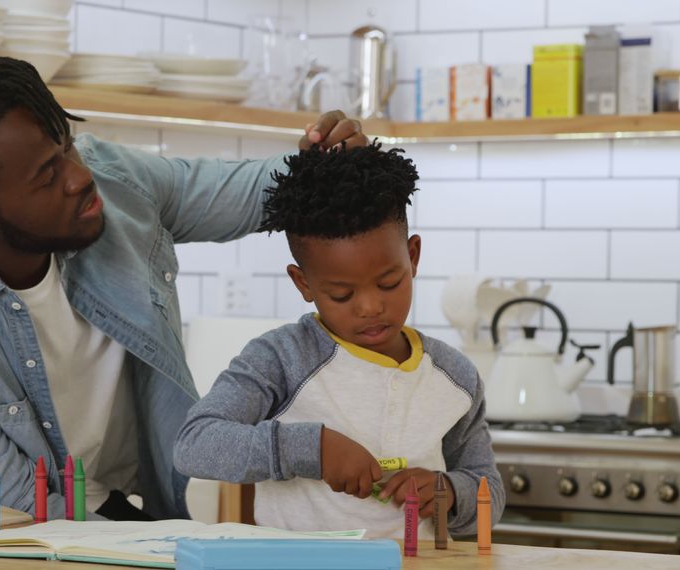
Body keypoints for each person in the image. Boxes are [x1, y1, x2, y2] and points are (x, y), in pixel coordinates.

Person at [0, 34, 370, 522]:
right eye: (47, 175)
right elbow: (4, 501)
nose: (80, 176)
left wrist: (322, 163)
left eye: (66, 145)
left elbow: (248, 192)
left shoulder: (110, 184)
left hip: (115, 518)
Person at [173, 143, 504, 538]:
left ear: (413, 256)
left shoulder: (454, 376)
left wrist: (449, 491)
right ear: (303, 283)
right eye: (341, 295)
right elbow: (195, 444)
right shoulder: (280, 359)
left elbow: (489, 489)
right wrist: (314, 449)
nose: (369, 307)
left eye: (389, 283)